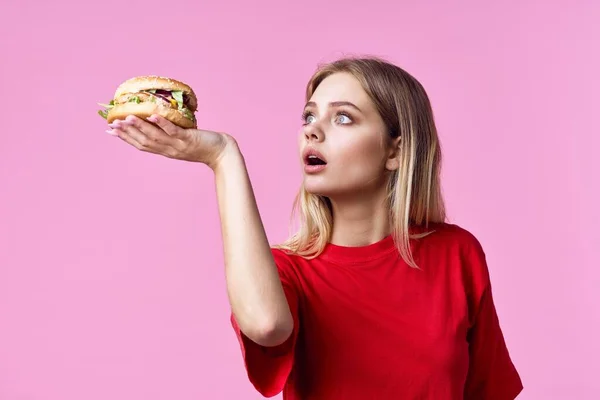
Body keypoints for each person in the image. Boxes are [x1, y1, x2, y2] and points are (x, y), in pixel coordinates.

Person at [106, 56, 523, 399]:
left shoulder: (457, 253)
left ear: (395, 150)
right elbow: (267, 326)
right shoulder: (288, 271)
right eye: (309, 115)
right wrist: (223, 157)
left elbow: (489, 391)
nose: (312, 129)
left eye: (343, 118)